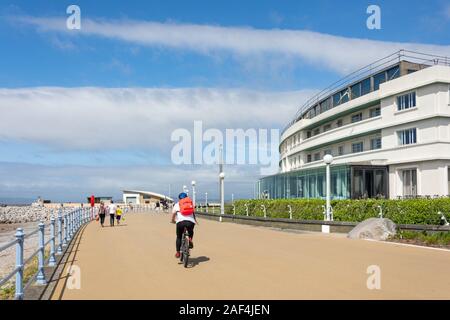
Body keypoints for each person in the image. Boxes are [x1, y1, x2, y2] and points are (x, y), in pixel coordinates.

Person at [171, 192, 197, 258]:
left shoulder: (177, 204)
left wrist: (173, 220)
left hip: (180, 223)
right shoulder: (191, 203)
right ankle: (190, 239)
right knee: (191, 231)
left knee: (179, 237)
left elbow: (173, 214)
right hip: (190, 222)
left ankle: (177, 252)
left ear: (179, 198)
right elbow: (194, 211)